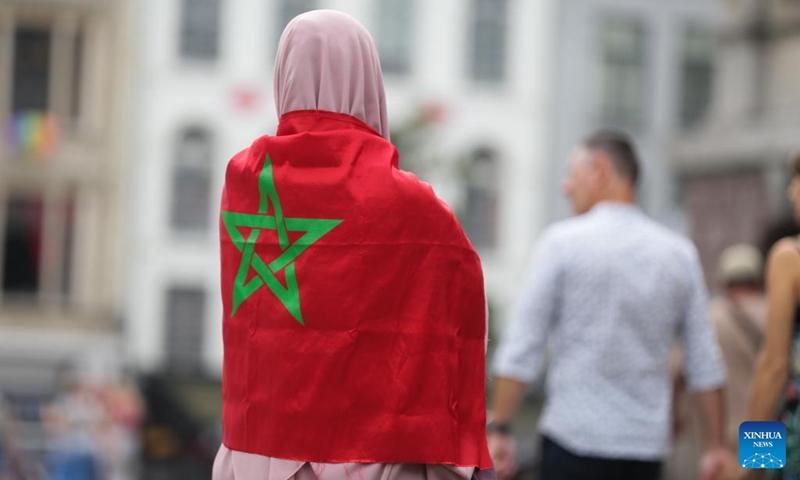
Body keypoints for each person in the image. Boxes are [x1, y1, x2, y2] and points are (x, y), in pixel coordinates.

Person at [212, 10, 494, 480]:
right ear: (368, 80)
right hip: (368, 456)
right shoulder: (409, 203)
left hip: (257, 452)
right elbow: (458, 325)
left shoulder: (243, 180)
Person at [488, 130, 731, 480]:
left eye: (572, 175)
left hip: (571, 441)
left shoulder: (561, 243)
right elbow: (707, 363)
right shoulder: (679, 254)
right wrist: (715, 448)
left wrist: (501, 427)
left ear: (601, 170)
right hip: (649, 448)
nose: (565, 187)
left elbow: (522, 347)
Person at [669, 244, 767, 480]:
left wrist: (675, 415)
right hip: (764, 430)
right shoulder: (774, 312)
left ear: (725, 280)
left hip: (720, 434)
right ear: (759, 277)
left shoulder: (708, 317)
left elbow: (675, 372)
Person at [746, 152, 800, 480]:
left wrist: (753, 461)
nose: (791, 192)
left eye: (796, 181)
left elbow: (774, 368)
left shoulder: (790, 258)